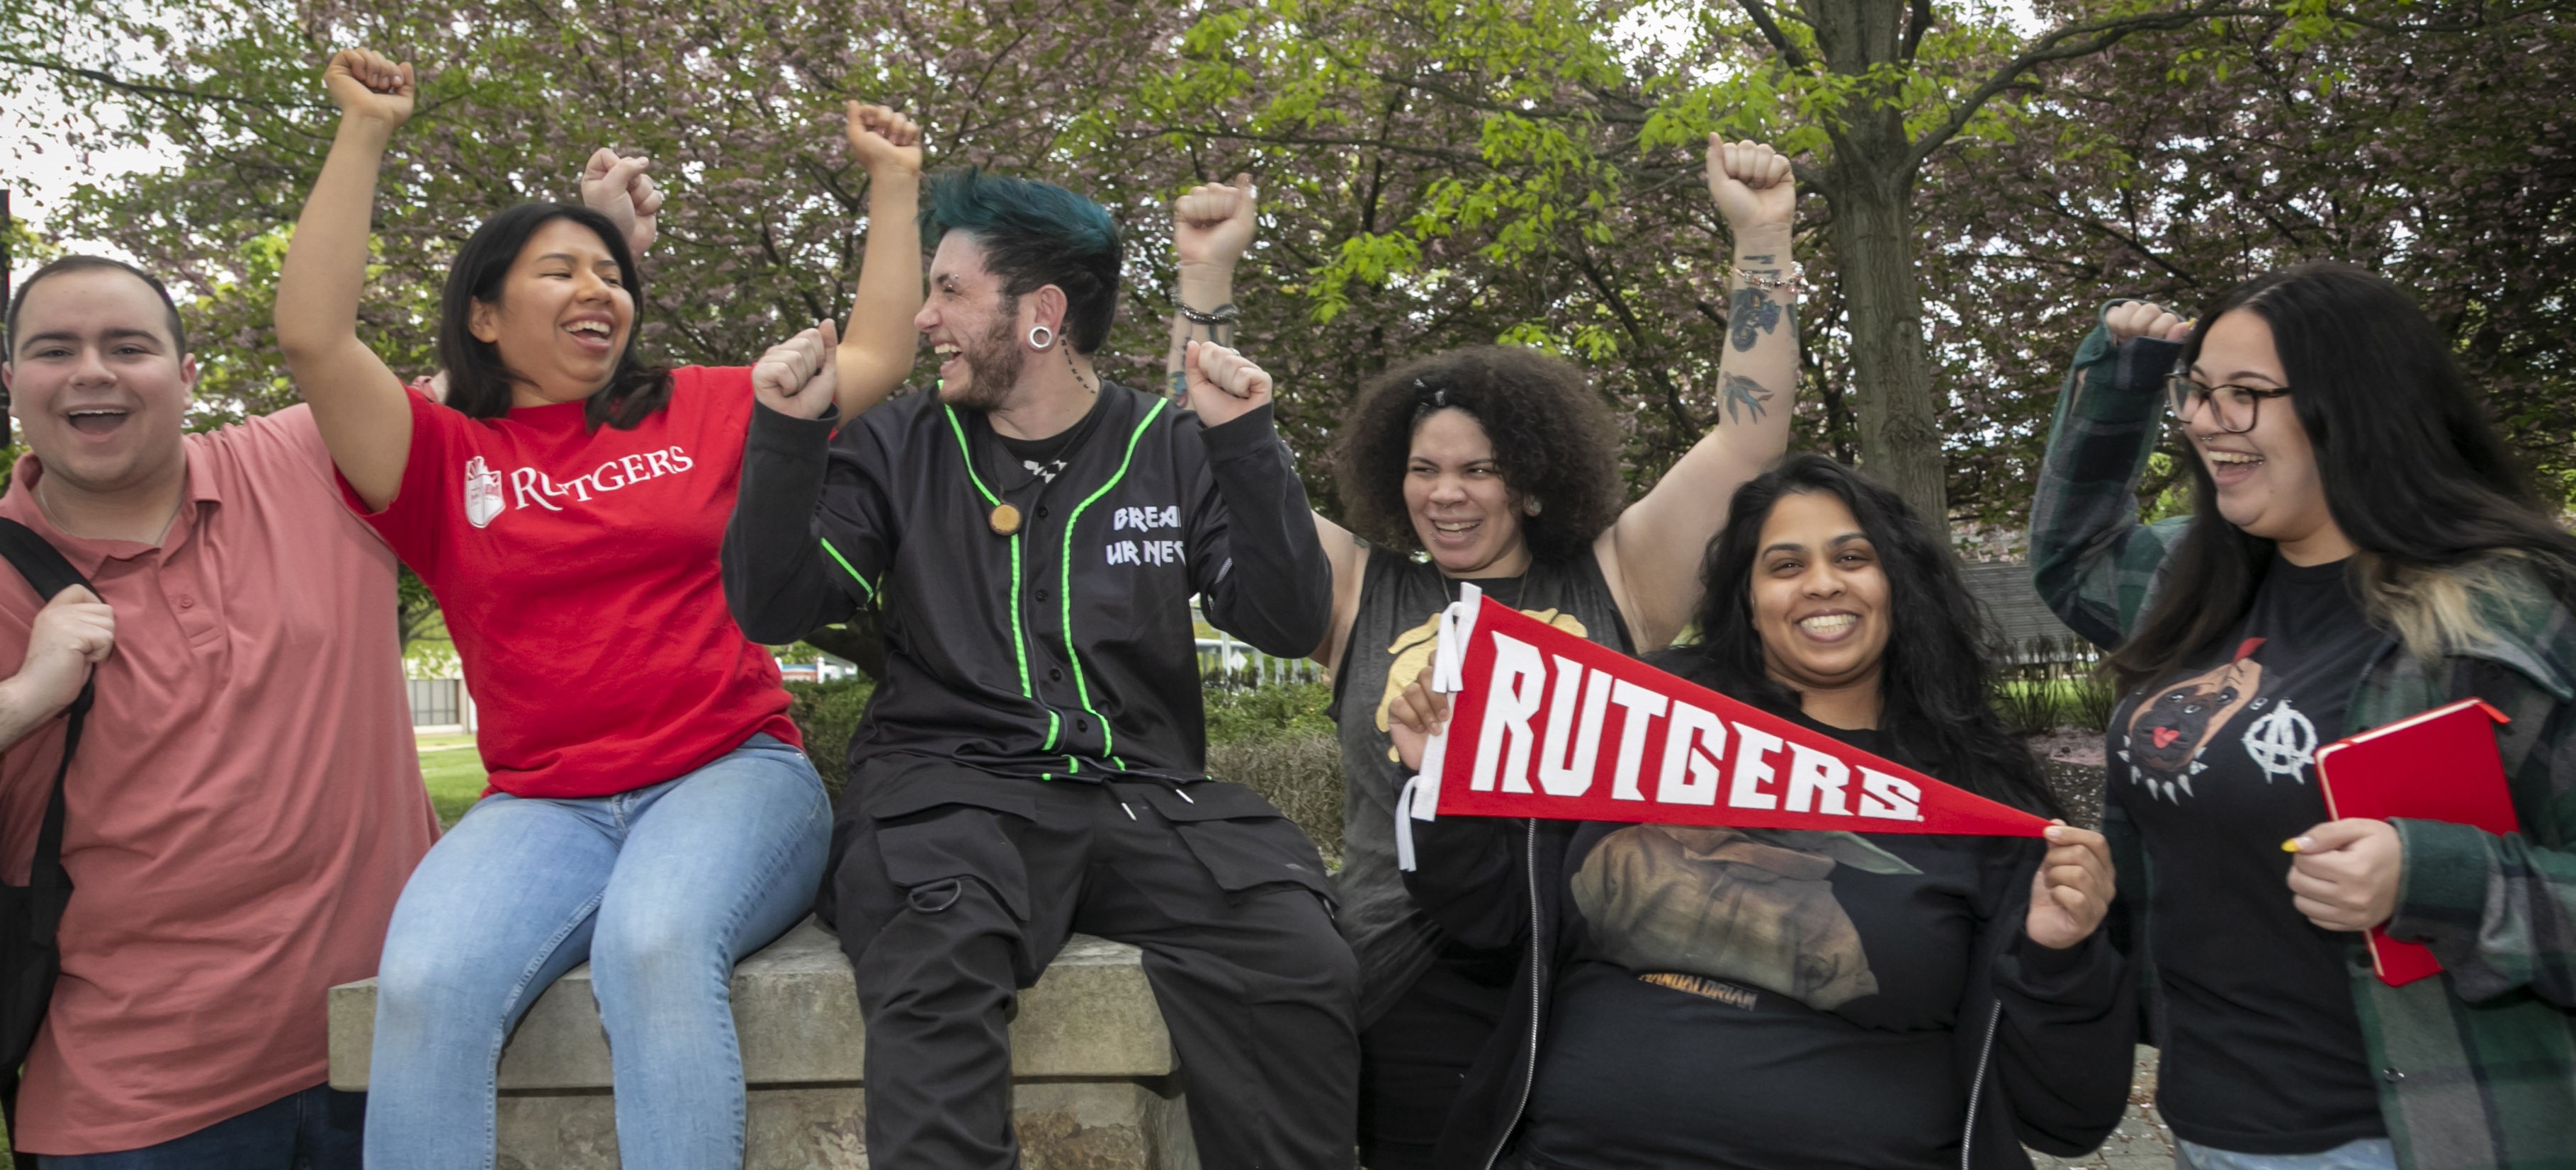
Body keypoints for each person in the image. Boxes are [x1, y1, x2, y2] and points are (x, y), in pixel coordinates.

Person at [269, 48, 926, 1169]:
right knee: (422, 986)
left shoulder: (698, 410)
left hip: (730, 773)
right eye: (559, 270)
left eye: (613, 274)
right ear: (481, 317)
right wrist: (364, 132)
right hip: (545, 806)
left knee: (656, 945)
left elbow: (873, 353)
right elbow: (314, 341)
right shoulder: (438, 457)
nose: (598, 291)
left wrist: (896, 183)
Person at [2028, 265, 2576, 1170]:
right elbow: (2072, 555)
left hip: (2433, 1139)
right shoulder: (2196, 583)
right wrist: (2123, 377)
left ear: (2358, 405)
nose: (2202, 420)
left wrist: (2433, 879)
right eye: (2199, 392)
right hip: (2214, 1130)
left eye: (2246, 394)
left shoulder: (2523, 609)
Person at [1159, 137, 1802, 1168]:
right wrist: (1205, 275)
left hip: (1597, 965)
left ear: (1533, 481)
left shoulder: (1616, 580)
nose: (1446, 493)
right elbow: (1205, 453)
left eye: (1478, 470)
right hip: (1410, 978)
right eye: (1423, 470)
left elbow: (1747, 442)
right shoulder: (1363, 590)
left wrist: (1760, 240)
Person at [0, 256, 437, 1167]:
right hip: (142, 1115)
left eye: (129, 345)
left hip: (400, 1053)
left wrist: (594, 253)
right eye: (55, 349)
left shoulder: (308, 460)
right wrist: (22, 697)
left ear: (187, 377)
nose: (92, 371)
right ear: (12, 383)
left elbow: (503, 373)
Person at [722, 168, 1350, 1170]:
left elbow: (1286, 617)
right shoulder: (898, 445)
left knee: (1294, 952)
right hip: (949, 798)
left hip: (1141, 798)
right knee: (936, 961)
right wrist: (787, 438)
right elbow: (778, 604)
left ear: (1042, 314)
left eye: (951, 291)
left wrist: (1247, 445)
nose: (924, 318)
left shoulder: (1172, 444)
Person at [1385, 454, 2133, 1170]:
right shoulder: (1644, 717)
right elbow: (1489, 920)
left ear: (1898, 581)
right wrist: (1442, 786)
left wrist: (2060, 956)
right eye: (1784, 564)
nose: (1819, 585)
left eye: (1851, 558)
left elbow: (2068, 1114)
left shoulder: (1983, 794)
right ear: (1745, 594)